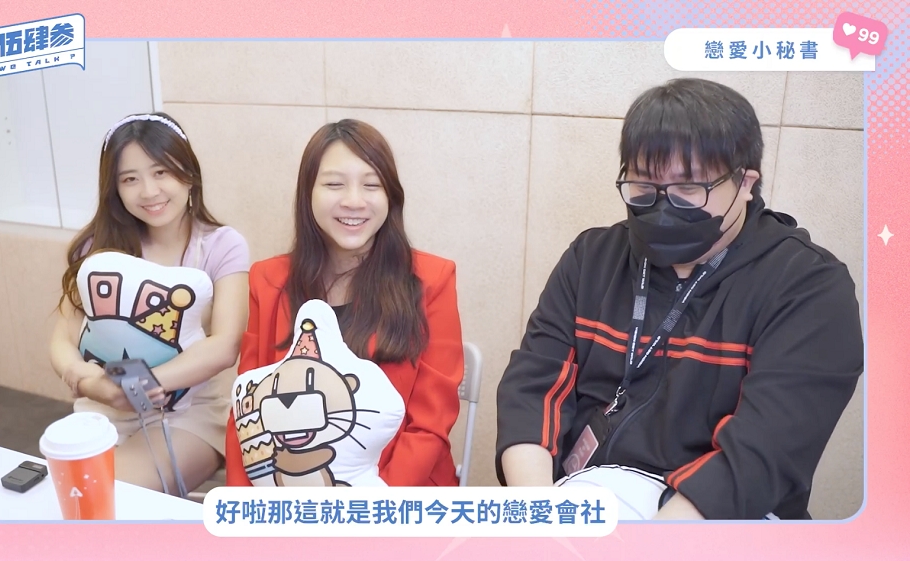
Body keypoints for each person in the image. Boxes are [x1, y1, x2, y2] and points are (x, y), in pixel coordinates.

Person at [495, 78, 863, 519]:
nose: (663, 207)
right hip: (583, 501)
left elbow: (763, 453)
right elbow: (532, 388)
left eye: (689, 190)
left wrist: (647, 544)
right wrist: (539, 515)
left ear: (745, 182)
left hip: (719, 522)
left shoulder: (808, 286)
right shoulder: (592, 258)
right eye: (644, 187)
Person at [224, 119, 464, 486]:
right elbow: (246, 412)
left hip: (397, 496)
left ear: (391, 196)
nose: (354, 201)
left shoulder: (432, 279)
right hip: (289, 496)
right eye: (334, 184)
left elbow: (430, 424)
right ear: (308, 192)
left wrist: (368, 505)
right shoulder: (268, 280)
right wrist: (246, 505)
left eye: (372, 185)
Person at [50, 112, 250, 494]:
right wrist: (88, 382)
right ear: (115, 189)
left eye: (161, 172)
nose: (149, 191)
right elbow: (63, 338)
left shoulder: (223, 246)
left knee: (107, 494)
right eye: (130, 179)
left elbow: (225, 346)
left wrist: (141, 386)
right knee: (65, 495)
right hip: (103, 405)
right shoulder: (98, 248)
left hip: (190, 413)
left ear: (188, 174)